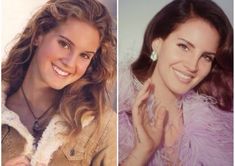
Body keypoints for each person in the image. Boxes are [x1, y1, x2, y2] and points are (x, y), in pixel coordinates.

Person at [2, 0, 116, 165]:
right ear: (39, 35)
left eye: (84, 55)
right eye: (64, 44)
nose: (70, 63)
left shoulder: (104, 127)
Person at [119, 0, 233, 165]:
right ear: (157, 44)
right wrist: (142, 152)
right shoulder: (114, 110)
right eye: (184, 47)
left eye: (206, 57)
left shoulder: (221, 124)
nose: (192, 66)